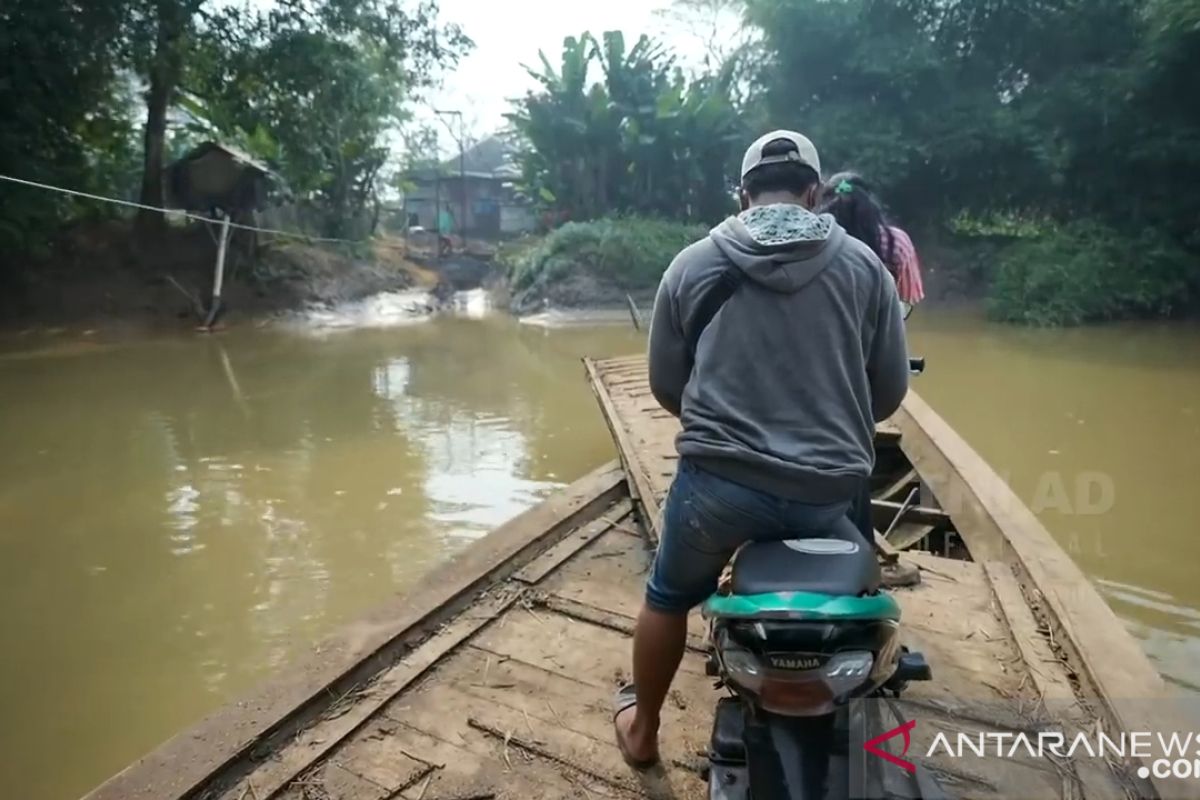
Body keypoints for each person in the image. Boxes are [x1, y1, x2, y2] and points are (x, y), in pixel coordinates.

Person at [612, 130, 910, 768]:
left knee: (666, 596)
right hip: (827, 494)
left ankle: (643, 733)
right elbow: (887, 392)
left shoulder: (691, 266)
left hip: (716, 492)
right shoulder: (866, 269)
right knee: (860, 587)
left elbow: (668, 385)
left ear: (743, 194)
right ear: (813, 192)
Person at [818, 172, 924, 305]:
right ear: (869, 201)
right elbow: (909, 298)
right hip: (882, 323)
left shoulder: (816, 242)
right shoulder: (897, 242)